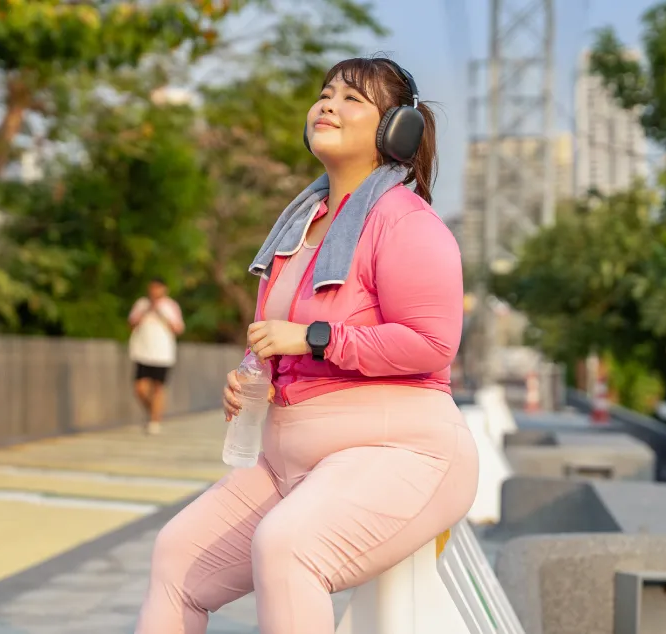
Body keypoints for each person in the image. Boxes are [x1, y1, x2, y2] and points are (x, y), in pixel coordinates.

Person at [135, 57, 479, 634]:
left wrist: (317, 338)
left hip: (401, 452)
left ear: (396, 130)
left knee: (287, 546)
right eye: (324, 94)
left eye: (352, 99)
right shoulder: (300, 228)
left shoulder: (405, 222)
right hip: (289, 458)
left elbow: (432, 344)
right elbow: (283, 343)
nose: (327, 105)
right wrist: (258, 381)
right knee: (177, 556)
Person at [128, 277, 185, 435]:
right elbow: (131, 323)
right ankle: (153, 412)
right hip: (142, 352)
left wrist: (161, 312)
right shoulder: (142, 304)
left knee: (158, 388)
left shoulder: (170, 305)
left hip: (162, 354)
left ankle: (154, 420)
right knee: (140, 388)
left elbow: (178, 328)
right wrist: (147, 310)